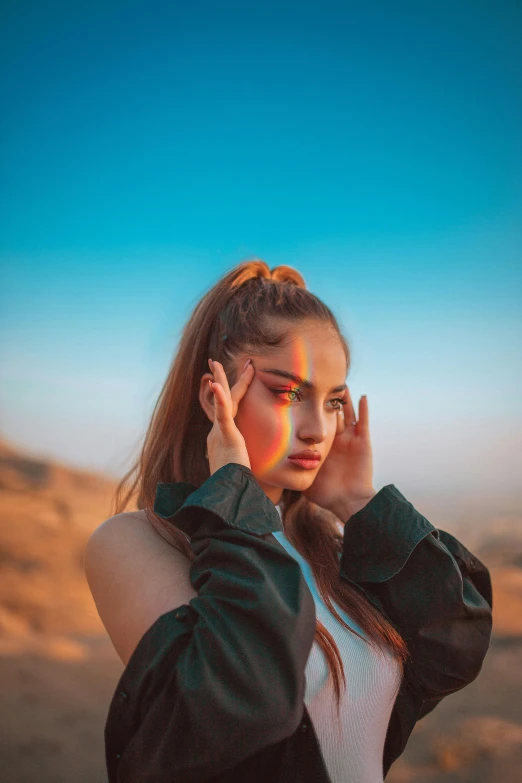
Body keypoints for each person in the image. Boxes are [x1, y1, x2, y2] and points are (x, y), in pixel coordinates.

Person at [84, 259, 493, 782]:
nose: (318, 429)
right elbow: (241, 701)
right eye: (290, 394)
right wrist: (230, 487)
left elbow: (453, 648)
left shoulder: (334, 549)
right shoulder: (135, 542)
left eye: (333, 401)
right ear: (215, 394)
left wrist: (357, 502)